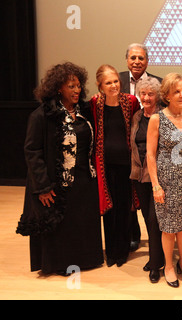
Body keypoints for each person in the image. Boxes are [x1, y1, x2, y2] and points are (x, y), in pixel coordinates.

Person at [16, 62, 103, 275]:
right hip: (57, 183)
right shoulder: (42, 115)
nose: (77, 90)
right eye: (71, 86)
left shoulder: (84, 111)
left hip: (84, 178)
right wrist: (43, 186)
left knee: (81, 222)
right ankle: (61, 264)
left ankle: (86, 260)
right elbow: (32, 152)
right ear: (58, 89)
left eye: (78, 85)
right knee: (62, 226)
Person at [147, 73, 182, 288]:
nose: (181, 95)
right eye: (176, 91)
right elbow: (151, 155)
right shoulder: (157, 119)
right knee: (169, 227)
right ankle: (169, 266)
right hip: (166, 181)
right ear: (167, 95)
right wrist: (155, 184)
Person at [90, 64, 140, 267]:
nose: (113, 85)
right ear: (100, 85)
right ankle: (111, 252)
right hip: (104, 166)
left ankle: (123, 250)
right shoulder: (94, 103)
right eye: (108, 82)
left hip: (127, 165)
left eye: (115, 81)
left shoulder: (130, 101)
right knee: (108, 209)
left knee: (125, 208)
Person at [119, 43, 162, 252]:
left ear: (147, 61)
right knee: (130, 203)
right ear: (127, 60)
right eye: (133, 58)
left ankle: (158, 251)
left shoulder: (159, 84)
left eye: (141, 58)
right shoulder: (116, 81)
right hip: (128, 153)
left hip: (154, 159)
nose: (137, 62)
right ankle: (133, 237)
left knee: (154, 212)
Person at [130, 77, 164, 282]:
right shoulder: (136, 116)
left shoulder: (163, 117)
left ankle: (156, 263)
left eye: (151, 94)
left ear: (157, 95)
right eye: (143, 93)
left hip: (158, 176)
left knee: (154, 219)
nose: (146, 97)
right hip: (138, 175)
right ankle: (155, 257)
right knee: (147, 218)